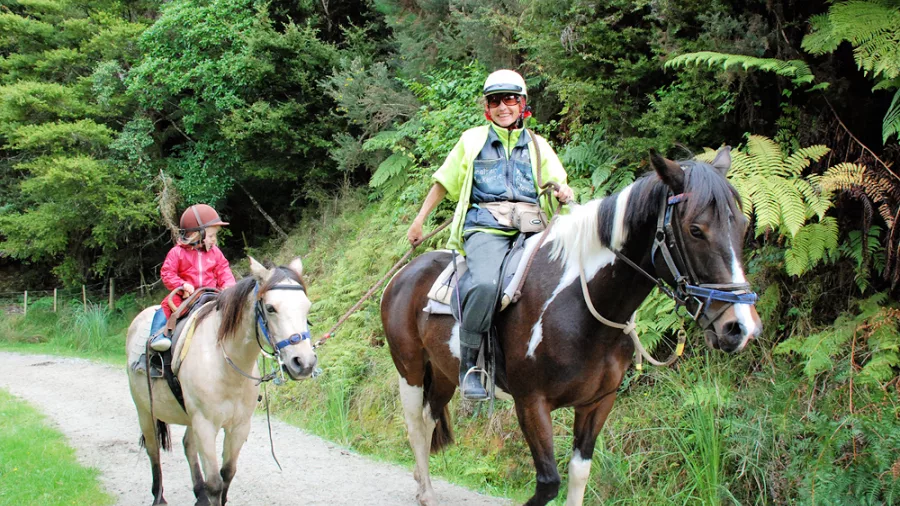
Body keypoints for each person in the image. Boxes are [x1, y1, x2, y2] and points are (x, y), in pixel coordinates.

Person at [407, 69, 573, 400]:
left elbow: (559, 180)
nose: (503, 106)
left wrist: (564, 192)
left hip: (533, 227)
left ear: (523, 104)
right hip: (486, 226)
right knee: (484, 283)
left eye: (510, 99)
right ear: (487, 107)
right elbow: (444, 182)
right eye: (495, 100)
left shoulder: (539, 146)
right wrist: (419, 220)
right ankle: (470, 364)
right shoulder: (472, 140)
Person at [147, 204, 237, 352]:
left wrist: (228, 285)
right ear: (196, 234)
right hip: (186, 295)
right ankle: (156, 336)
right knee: (167, 306)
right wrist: (182, 284)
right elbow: (167, 273)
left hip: (212, 293)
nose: (214, 240)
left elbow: (223, 270)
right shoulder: (177, 253)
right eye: (211, 236)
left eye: (215, 236)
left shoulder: (215, 253)